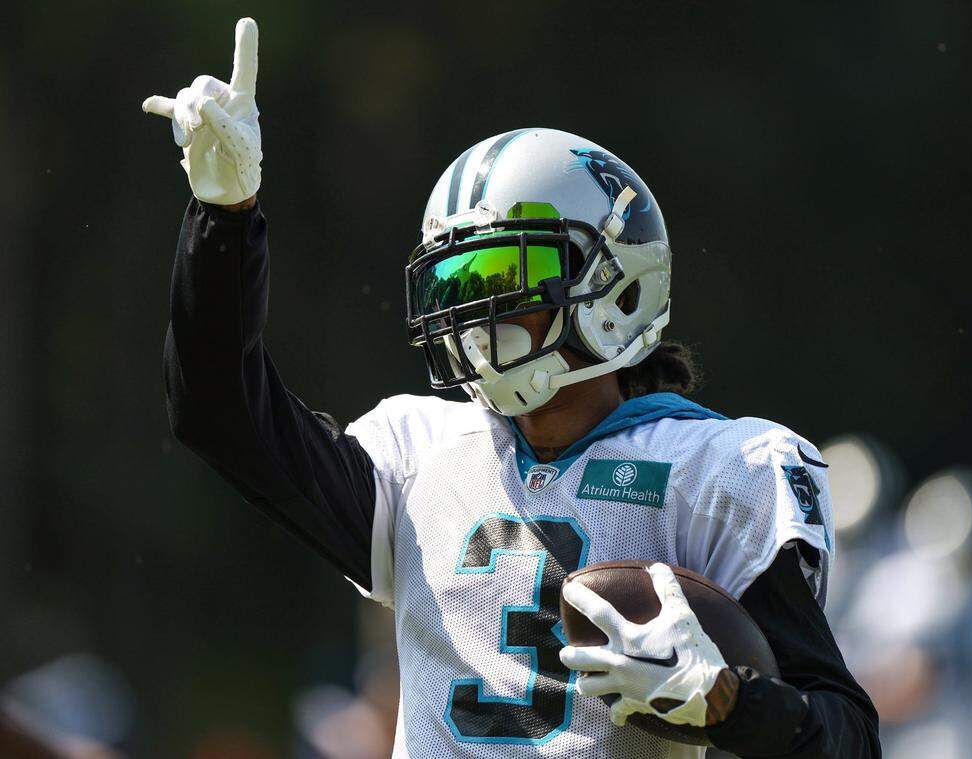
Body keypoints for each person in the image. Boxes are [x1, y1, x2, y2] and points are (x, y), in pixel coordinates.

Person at [142, 17, 879, 758]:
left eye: (504, 280)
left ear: (615, 285)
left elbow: (845, 736)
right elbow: (217, 409)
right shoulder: (418, 455)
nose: (473, 314)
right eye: (456, 284)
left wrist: (732, 704)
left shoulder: (721, 469)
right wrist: (224, 219)